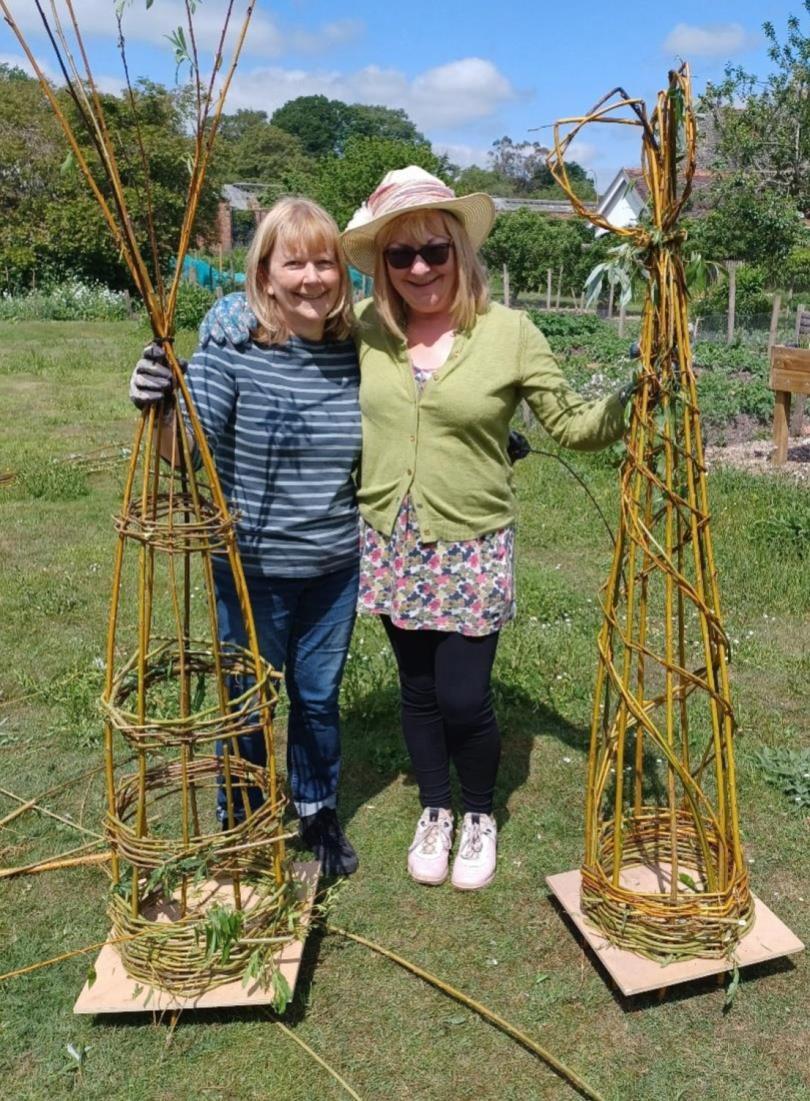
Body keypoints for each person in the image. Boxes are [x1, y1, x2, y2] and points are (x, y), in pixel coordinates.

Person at [201, 167, 632, 892]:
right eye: (400, 256)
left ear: (460, 251)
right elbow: (281, 315)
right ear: (384, 268)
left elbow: (572, 424)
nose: (420, 267)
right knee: (417, 689)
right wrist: (223, 313)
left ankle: (480, 812)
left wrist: (634, 392)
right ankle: (435, 807)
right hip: (389, 542)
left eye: (434, 250)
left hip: (471, 543)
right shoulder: (368, 329)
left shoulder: (509, 333)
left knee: (465, 696)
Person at [129, 197, 362, 876]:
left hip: (334, 567)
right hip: (251, 565)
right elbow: (184, 452)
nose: (313, 277)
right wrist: (158, 401)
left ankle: (316, 810)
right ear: (264, 274)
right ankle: (244, 821)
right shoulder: (232, 350)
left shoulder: (353, 357)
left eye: (326, 261)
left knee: (317, 699)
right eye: (296, 262)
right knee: (248, 701)